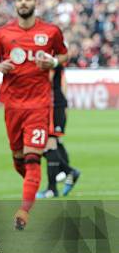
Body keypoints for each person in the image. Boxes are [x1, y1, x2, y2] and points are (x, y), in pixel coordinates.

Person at [0, 0, 68, 230]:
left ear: (35, 2)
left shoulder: (50, 31)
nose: (24, 2)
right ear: (16, 4)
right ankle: (31, 190)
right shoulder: (3, 33)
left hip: (39, 106)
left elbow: (64, 55)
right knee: (19, 160)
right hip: (12, 105)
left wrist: (53, 61)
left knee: (33, 159)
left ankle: (24, 211)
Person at [37, 65, 80, 198]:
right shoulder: (52, 60)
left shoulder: (51, 60)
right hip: (51, 106)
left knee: (47, 145)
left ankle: (56, 184)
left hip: (53, 106)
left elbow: (50, 80)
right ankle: (66, 174)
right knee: (48, 144)